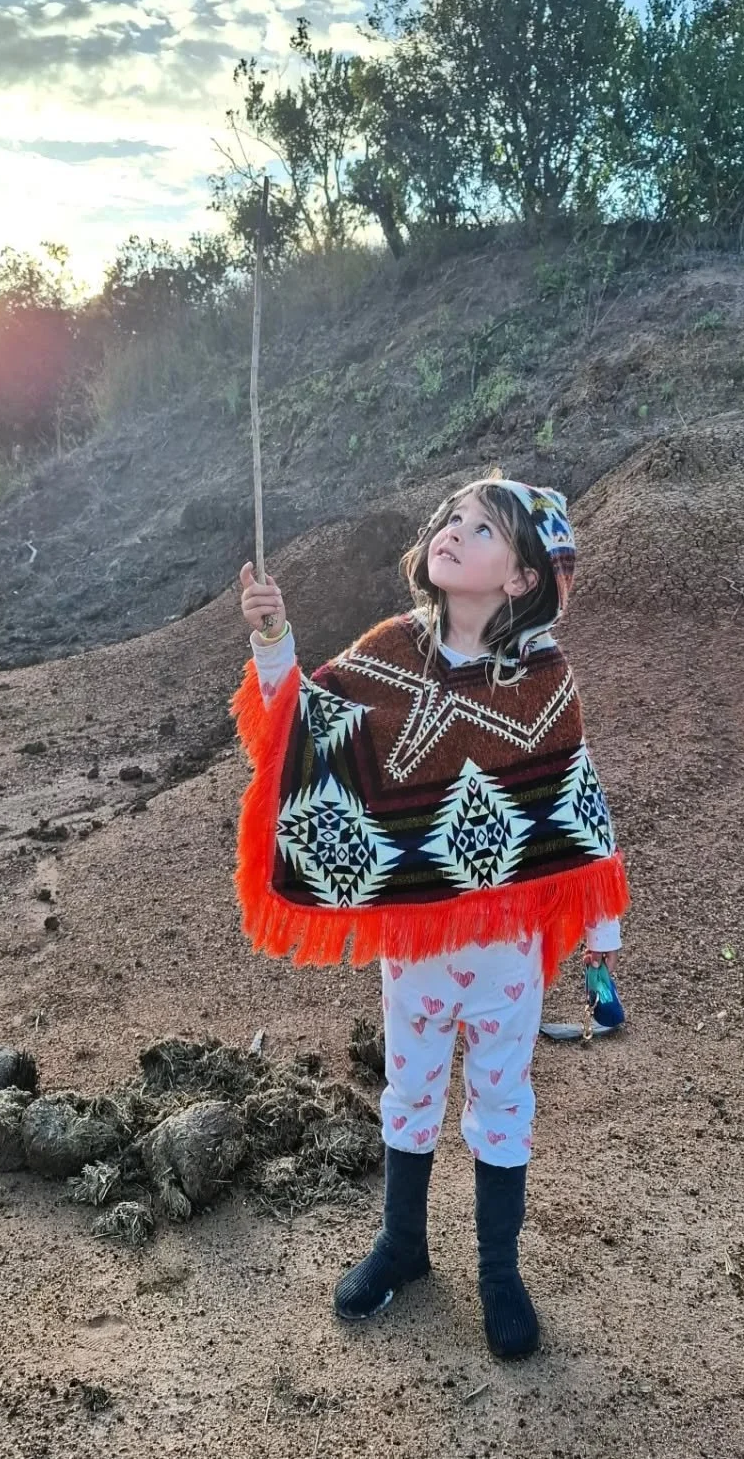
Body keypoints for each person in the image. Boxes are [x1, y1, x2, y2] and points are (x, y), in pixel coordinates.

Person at [232, 478, 629, 1360]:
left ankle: (499, 1273)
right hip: (415, 946)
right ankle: (403, 1246)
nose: (453, 530)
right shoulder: (388, 652)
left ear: (523, 577)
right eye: (452, 517)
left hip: (509, 952)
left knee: (502, 1097)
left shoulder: (545, 680)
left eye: (482, 528)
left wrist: (600, 942)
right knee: (410, 1090)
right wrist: (273, 637)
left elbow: (580, 812)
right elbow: (303, 724)